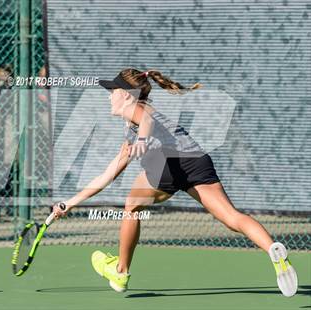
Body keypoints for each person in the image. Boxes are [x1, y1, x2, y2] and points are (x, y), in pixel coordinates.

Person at [51, 68, 298, 297]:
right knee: (231, 217)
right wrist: (69, 203)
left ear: (126, 95)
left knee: (131, 207)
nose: (108, 97)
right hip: (196, 160)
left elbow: (146, 122)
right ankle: (273, 251)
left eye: (112, 92)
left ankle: (121, 272)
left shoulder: (140, 109)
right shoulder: (131, 130)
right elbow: (107, 175)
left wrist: (143, 141)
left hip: (167, 164)